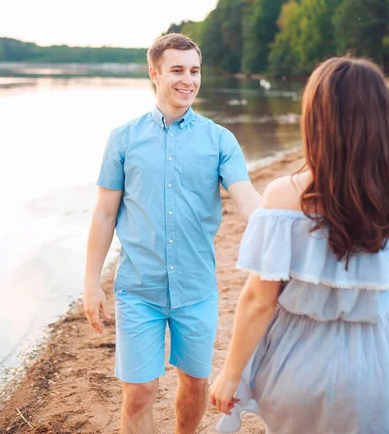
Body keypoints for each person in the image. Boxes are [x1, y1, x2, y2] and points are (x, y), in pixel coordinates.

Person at [83, 33, 261, 434]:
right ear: (155, 74)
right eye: (177, 70)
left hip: (197, 290)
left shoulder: (220, 140)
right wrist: (91, 281)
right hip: (138, 290)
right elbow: (103, 214)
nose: (188, 80)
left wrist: (286, 225)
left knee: (195, 385)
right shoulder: (123, 139)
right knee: (140, 393)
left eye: (194, 70)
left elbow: (247, 199)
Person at [210, 56, 389, 434]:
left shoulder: (284, 195)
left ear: (315, 119)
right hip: (378, 366)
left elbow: (259, 300)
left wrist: (231, 373)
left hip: (299, 363)